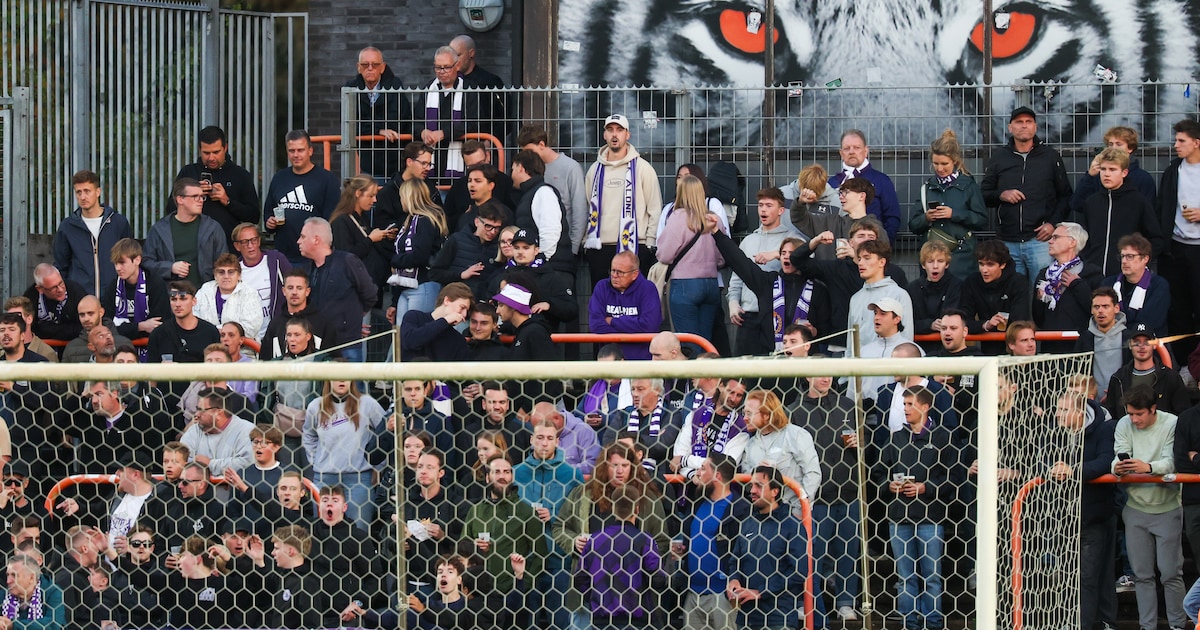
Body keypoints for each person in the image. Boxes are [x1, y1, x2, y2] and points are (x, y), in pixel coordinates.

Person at [552, 442, 669, 629]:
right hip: (591, 597)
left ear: (633, 467)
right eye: (614, 465)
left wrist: (643, 557)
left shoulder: (647, 500)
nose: (620, 471)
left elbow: (662, 541)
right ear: (604, 466)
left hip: (634, 599)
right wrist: (574, 542)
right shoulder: (583, 494)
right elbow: (559, 527)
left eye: (625, 465)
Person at [876, 386, 954, 630]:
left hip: (930, 518)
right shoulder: (896, 438)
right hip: (899, 519)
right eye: (904, 404)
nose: (905, 409)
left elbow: (953, 479)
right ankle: (909, 623)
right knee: (905, 576)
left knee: (931, 576)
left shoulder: (943, 437)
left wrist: (925, 488)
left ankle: (932, 623)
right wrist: (888, 486)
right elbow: (877, 473)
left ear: (925, 406)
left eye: (910, 404)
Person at [1111, 384, 1187, 630]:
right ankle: (1147, 627)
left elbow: (1171, 461)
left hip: (1167, 507)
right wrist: (1117, 467)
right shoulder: (1123, 423)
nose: (1133, 419)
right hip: (1135, 508)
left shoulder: (1172, 422)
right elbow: (1118, 455)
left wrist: (1149, 468)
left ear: (1153, 409)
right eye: (1130, 413)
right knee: (1142, 575)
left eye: (1138, 414)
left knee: (1170, 574)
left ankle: (1177, 625)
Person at [790, 372, 861, 623]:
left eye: (830, 374)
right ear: (807, 376)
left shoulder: (847, 406)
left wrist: (859, 444)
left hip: (848, 492)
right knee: (812, 554)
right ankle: (808, 602)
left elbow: (867, 443)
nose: (826, 379)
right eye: (820, 374)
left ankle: (845, 602)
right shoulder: (795, 410)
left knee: (848, 552)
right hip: (816, 498)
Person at [1049, 390, 1116, 630]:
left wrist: (1072, 471)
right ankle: (1069, 622)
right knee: (1066, 577)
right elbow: (1043, 459)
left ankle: (1092, 624)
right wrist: (1052, 468)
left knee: (1091, 576)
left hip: (1094, 515)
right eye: (1058, 408)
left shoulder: (1105, 429)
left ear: (1079, 413)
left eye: (1064, 410)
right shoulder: (1055, 431)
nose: (1057, 414)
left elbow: (1105, 461)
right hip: (1061, 516)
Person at [714, 221, 831, 356]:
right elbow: (740, 262)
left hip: (805, 364)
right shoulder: (768, 283)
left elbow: (825, 330)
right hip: (771, 360)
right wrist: (717, 233)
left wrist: (814, 331)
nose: (786, 256)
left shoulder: (818, 290)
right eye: (783, 253)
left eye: (792, 253)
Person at [792, 217, 908, 352]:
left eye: (871, 237)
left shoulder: (893, 271)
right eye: (861, 236)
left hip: (884, 349)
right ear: (850, 242)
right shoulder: (836, 268)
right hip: (842, 346)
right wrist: (816, 241)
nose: (866, 240)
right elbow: (796, 260)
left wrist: (857, 258)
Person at [514, 415, 587, 629]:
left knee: (561, 618)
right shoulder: (517, 473)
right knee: (527, 619)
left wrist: (552, 515)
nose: (544, 442)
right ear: (531, 440)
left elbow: (581, 516)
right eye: (540, 437)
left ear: (557, 441)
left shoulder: (571, 474)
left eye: (549, 438)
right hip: (526, 556)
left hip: (559, 557)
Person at [981, 106, 1073, 276]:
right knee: (1011, 295)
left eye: (1028, 122)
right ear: (1010, 127)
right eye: (1019, 122)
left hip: (1040, 242)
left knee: (1040, 294)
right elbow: (984, 194)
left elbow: (1066, 196)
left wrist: (1052, 224)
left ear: (1035, 127)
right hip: (1007, 241)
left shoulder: (1050, 157)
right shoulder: (999, 157)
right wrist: (1001, 195)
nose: (1024, 126)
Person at [672, 453, 750, 630]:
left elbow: (742, 552)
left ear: (717, 476)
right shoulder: (698, 503)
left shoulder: (740, 510)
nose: (698, 472)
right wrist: (684, 549)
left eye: (703, 468)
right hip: (693, 594)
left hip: (722, 596)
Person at [583, 113, 663, 282]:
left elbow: (655, 208)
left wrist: (649, 243)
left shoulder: (643, 168)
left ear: (627, 134)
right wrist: (586, 240)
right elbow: (586, 207)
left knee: (633, 302)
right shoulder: (594, 171)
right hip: (600, 246)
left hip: (634, 245)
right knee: (602, 301)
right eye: (610, 130)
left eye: (619, 130)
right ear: (604, 135)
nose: (614, 134)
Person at [726, 465, 806, 630]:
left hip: (778, 618)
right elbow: (735, 560)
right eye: (751, 485)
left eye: (759, 486)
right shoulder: (747, 523)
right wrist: (734, 580)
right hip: (746, 618)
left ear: (775, 491)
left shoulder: (792, 526)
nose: (752, 491)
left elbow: (799, 572)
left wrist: (760, 592)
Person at [578, 483, 667, 630]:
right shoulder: (644, 540)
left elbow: (581, 578)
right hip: (637, 620)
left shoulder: (595, 540)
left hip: (602, 620)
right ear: (637, 509)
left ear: (613, 509)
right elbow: (658, 579)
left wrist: (597, 597)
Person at [726, 187, 803, 352]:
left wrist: (777, 254)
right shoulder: (749, 240)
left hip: (779, 315)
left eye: (769, 205)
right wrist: (733, 303)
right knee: (743, 371)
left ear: (781, 210)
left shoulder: (792, 238)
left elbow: (806, 262)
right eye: (760, 205)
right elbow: (737, 277)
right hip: (748, 315)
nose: (763, 210)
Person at [303, 379, 386, 529]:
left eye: (345, 376)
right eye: (336, 376)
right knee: (323, 530)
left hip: (358, 479)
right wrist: (315, 460)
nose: (341, 380)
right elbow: (308, 436)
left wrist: (378, 466)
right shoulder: (316, 406)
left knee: (359, 530)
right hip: (325, 478)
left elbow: (385, 433)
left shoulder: (367, 404)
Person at [909, 129, 987, 280]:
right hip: (932, 260)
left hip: (962, 258)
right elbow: (913, 225)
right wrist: (926, 218)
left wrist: (954, 214)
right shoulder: (927, 188)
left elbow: (982, 220)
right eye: (936, 163)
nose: (939, 168)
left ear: (955, 161)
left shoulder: (969, 185)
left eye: (944, 163)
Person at [463, 455, 546, 596]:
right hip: (478, 593)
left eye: (507, 472)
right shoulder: (476, 511)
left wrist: (523, 586)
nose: (503, 476)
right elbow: (462, 548)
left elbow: (541, 555)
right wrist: (473, 545)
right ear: (488, 477)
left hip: (512, 594)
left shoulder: (525, 512)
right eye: (497, 472)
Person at [297, 217, 378, 362]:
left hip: (347, 344)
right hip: (317, 345)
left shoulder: (347, 261)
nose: (298, 241)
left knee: (353, 385)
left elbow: (370, 294)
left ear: (316, 239)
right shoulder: (307, 269)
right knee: (320, 385)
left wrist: (351, 319)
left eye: (303, 237)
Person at [657, 174, 723, 348]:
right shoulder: (714, 219)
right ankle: (706, 375)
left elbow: (664, 255)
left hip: (685, 285)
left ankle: (691, 375)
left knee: (687, 343)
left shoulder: (678, 217)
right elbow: (722, 258)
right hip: (711, 284)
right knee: (705, 342)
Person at [1078, 148, 1166, 276]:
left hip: (1126, 276)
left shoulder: (1139, 202)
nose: (1106, 174)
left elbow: (1156, 239)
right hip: (1093, 274)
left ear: (1124, 172)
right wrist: (1088, 261)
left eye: (1112, 169)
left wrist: (1136, 262)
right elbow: (1085, 237)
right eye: (1103, 169)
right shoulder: (1092, 202)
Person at [170, 125, 261, 247]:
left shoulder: (240, 175)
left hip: (228, 248)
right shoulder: (188, 173)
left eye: (216, 152)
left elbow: (254, 216)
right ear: (199, 149)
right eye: (206, 153)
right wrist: (192, 194)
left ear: (225, 148)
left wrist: (227, 201)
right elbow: (170, 209)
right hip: (193, 246)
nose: (211, 158)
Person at [263, 130, 342, 264]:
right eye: (292, 151)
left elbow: (332, 221)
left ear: (310, 151)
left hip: (314, 257)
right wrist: (269, 223)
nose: (296, 155)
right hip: (283, 255)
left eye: (300, 150)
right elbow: (268, 212)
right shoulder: (279, 178)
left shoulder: (327, 179)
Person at [54, 169, 132, 296]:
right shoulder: (67, 226)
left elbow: (130, 259)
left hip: (114, 297)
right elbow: (61, 265)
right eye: (78, 192)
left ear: (98, 192)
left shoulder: (118, 223)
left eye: (87, 191)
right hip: (80, 299)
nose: (83, 197)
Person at [740, 389, 820, 514]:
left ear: (766, 415)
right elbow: (747, 484)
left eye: (749, 414)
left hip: (793, 513)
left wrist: (801, 509)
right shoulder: (750, 446)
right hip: (764, 517)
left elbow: (813, 473)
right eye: (744, 413)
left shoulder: (795, 435)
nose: (744, 418)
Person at [1159, 119, 1200, 359]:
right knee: (1178, 310)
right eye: (1176, 140)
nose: (1176, 145)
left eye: (1181, 141)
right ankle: (1184, 364)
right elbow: (1162, 206)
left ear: (1196, 143)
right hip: (1175, 249)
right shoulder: (1173, 170)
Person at [142, 178, 228, 290]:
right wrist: (170, 268)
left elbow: (225, 263)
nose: (201, 200)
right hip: (171, 297)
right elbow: (146, 262)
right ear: (180, 199)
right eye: (195, 196)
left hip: (205, 297)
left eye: (202, 196)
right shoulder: (159, 229)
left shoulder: (213, 228)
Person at [518, 124, 588, 258]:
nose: (527, 156)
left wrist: (573, 247)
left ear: (542, 144)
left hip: (563, 247)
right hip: (534, 247)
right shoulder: (529, 170)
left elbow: (579, 210)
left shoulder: (570, 167)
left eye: (530, 151)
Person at [1032, 222, 1102, 352]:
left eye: (1056, 237)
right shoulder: (1044, 274)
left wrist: (1078, 285)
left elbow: (1097, 311)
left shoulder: (1091, 273)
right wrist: (1039, 299)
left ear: (1072, 242)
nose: (1050, 241)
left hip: (1079, 348)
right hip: (1050, 347)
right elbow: (1038, 319)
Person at [494, 282, 562, 411]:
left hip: (541, 411)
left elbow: (550, 377)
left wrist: (529, 409)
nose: (497, 311)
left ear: (513, 307)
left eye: (501, 305)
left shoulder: (535, 332)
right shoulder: (524, 330)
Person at [329, 174, 396, 302]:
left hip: (369, 284)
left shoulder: (362, 217)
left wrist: (384, 237)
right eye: (371, 196)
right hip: (353, 289)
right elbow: (347, 255)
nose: (375, 200)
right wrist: (370, 239)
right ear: (358, 193)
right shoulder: (341, 221)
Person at [389, 178, 449, 319]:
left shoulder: (425, 220)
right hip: (406, 286)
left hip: (423, 285)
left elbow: (419, 256)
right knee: (400, 338)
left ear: (409, 197)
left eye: (402, 197)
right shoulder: (409, 219)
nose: (400, 201)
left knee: (417, 335)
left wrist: (395, 260)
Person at [827, 129, 901, 241]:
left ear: (866, 151)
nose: (851, 152)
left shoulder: (881, 180)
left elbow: (892, 218)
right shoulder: (832, 183)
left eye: (856, 147)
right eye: (847, 148)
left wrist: (880, 246)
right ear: (841, 153)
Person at [345, 46, 407, 179]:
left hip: (394, 162)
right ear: (358, 67)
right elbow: (349, 124)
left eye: (375, 64)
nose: (370, 68)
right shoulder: (351, 88)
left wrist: (369, 127)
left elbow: (399, 120)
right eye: (365, 64)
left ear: (383, 67)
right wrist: (379, 130)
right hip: (365, 164)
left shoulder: (395, 86)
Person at [587, 251, 662, 361]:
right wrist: (631, 331)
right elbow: (595, 325)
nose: (614, 276)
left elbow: (649, 326)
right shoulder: (602, 287)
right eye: (612, 270)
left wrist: (613, 321)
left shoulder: (648, 289)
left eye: (620, 272)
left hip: (641, 362)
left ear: (634, 274)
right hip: (610, 361)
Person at [959, 239, 1032, 353]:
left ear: (1002, 264)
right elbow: (963, 320)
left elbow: (1020, 320)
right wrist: (986, 324)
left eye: (990, 264)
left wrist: (999, 323)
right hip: (987, 349)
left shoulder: (1018, 282)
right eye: (981, 264)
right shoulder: (971, 282)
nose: (984, 270)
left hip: (1016, 351)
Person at [1104, 323, 1190, 417]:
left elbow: (1183, 414)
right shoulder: (1118, 378)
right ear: (1130, 344)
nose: (1142, 346)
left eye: (1147, 342)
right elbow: (1111, 414)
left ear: (1154, 345)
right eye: (1137, 342)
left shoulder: (1170, 377)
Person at [421, 46, 478, 186]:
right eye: (438, 67)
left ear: (457, 65)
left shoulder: (469, 89)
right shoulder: (428, 89)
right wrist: (422, 131)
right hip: (432, 157)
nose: (442, 72)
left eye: (446, 67)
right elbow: (416, 121)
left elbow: (473, 123)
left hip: (458, 155)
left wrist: (444, 133)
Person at [1069, 125, 1157, 214]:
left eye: (1119, 144)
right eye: (1110, 144)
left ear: (1130, 148)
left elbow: (1147, 212)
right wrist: (1089, 176)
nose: (1113, 148)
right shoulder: (1099, 175)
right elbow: (1077, 204)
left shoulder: (1143, 178)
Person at [429, 201, 504, 298]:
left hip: (481, 306)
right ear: (477, 221)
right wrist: (461, 275)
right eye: (488, 226)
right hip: (454, 300)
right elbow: (434, 273)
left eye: (497, 228)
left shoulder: (498, 247)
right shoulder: (456, 240)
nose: (493, 232)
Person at [847, 239, 914, 348]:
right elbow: (851, 341)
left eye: (867, 258)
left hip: (889, 363)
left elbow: (906, 338)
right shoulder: (855, 298)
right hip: (860, 364)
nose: (860, 263)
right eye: (859, 259)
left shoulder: (899, 294)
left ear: (882, 262)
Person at [259, 270, 337, 362]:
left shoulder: (323, 322)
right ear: (284, 291)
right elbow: (264, 360)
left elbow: (334, 360)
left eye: (299, 288)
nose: (294, 292)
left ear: (307, 291)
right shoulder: (275, 323)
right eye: (290, 288)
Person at [103, 237, 170, 343]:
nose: (118, 268)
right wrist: (140, 326)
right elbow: (108, 326)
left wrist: (125, 329)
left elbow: (158, 325)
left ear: (137, 260)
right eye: (116, 263)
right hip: (119, 347)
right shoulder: (113, 286)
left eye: (122, 262)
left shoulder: (155, 284)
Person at [231, 222, 291, 341]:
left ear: (259, 241)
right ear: (237, 246)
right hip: (248, 337)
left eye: (254, 240)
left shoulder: (276, 260)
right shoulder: (233, 270)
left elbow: (294, 286)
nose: (250, 245)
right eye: (245, 242)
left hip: (277, 331)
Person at [1103, 233, 1170, 337]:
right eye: (1122, 256)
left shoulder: (1159, 285)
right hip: (1111, 342)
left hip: (1146, 343)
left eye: (1130, 256)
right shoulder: (1108, 284)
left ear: (1145, 259)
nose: (1124, 261)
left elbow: (1149, 322)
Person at [178, 387, 255, 477]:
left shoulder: (246, 430)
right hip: (197, 489)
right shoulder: (194, 431)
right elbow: (181, 461)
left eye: (201, 410)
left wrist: (210, 464)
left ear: (218, 413)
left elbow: (247, 463)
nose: (196, 415)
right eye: (197, 409)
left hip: (233, 489)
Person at [443, 139, 515, 232]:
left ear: (488, 156)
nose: (478, 170)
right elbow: (448, 218)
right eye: (471, 167)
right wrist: (465, 216)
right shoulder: (459, 187)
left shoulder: (505, 182)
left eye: (480, 164)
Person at [145, 281, 222, 366]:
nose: (177, 304)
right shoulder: (159, 334)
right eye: (174, 299)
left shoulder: (210, 332)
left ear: (194, 301)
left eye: (183, 299)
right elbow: (151, 372)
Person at [374, 141, 445, 229]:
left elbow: (440, 218)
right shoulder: (388, 192)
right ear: (409, 162)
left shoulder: (431, 189)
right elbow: (382, 225)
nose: (428, 168)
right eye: (423, 163)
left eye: (429, 164)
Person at [193, 253, 264, 340]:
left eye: (231, 272)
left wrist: (216, 331)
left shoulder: (250, 294)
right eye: (221, 272)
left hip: (243, 349)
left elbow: (251, 328)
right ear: (215, 275)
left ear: (239, 275)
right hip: (208, 346)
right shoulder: (205, 291)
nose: (226, 276)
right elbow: (194, 319)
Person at [907, 241, 962, 352]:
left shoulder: (956, 285)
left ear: (947, 264)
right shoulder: (912, 288)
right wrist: (929, 325)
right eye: (930, 261)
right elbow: (907, 323)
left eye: (940, 261)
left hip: (948, 349)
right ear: (923, 265)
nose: (935, 266)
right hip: (920, 348)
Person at [399, 281, 472, 363]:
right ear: (447, 300)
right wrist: (445, 321)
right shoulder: (414, 317)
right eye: (462, 307)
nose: (464, 314)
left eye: (467, 310)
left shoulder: (458, 339)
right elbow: (410, 342)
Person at [1076, 288, 1129, 399]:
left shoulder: (1128, 337)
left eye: (1105, 306)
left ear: (1116, 308)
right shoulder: (1085, 338)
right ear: (1091, 310)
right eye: (1096, 307)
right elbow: (1078, 372)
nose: (1100, 311)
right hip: (1091, 401)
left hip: (1123, 400)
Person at [22, 263, 87, 344]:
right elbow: (26, 329)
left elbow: (84, 328)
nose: (60, 290)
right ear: (40, 289)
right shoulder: (30, 298)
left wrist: (50, 329)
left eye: (61, 283)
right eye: (53, 287)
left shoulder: (76, 292)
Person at [788, 164, 841, 259]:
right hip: (787, 253)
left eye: (815, 192)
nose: (810, 196)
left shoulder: (837, 202)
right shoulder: (784, 194)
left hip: (821, 258)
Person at [2, 556, 66, 630]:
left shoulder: (52, 593)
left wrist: (13, 625)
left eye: (14, 575)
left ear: (31, 578)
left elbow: (53, 624)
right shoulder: (3, 596)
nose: (8, 581)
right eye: (7, 575)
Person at [62, 296, 130, 364]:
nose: (86, 319)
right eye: (82, 315)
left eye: (90, 313)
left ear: (101, 312)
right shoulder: (71, 348)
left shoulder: (124, 344)